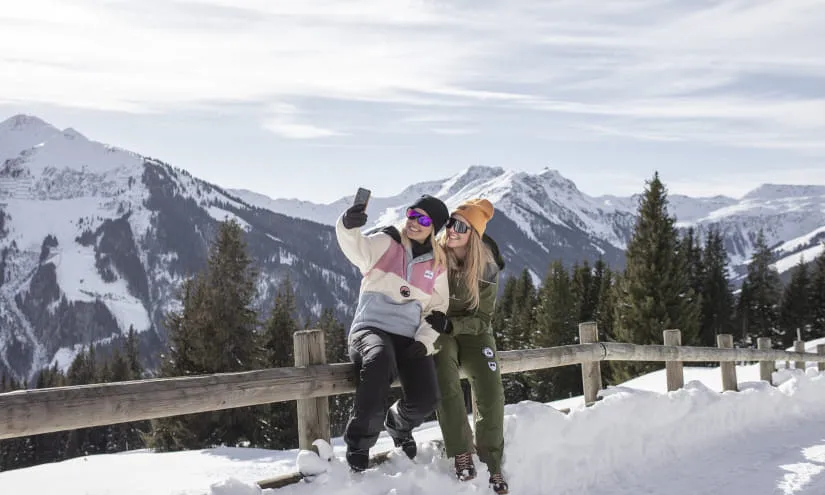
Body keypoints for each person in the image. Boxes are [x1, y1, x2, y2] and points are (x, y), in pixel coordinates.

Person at [335, 193, 451, 472]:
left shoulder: (437, 264)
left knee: (426, 399)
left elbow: (437, 310)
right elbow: (357, 248)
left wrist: (424, 341)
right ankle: (360, 441)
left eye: (423, 219)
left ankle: (398, 423)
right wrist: (347, 225)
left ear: (434, 227)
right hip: (370, 329)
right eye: (412, 214)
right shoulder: (388, 241)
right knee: (379, 360)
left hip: (408, 337)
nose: (414, 222)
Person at [431, 198, 509, 494]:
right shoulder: (434, 256)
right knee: (444, 374)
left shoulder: (487, 266)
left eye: (460, 225)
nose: (451, 229)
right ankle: (460, 450)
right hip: (440, 328)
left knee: (491, 388)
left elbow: (484, 317)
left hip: (474, 330)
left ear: (473, 234)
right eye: (450, 222)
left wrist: (457, 325)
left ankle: (493, 461)